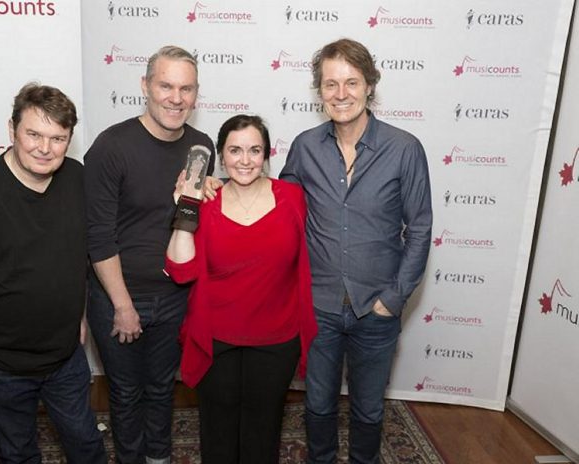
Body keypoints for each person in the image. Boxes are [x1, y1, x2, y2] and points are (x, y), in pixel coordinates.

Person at [0, 83, 107, 464]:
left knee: (87, 446)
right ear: (12, 130)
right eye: (34, 134)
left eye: (58, 138)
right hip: (2, 367)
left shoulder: (77, 179)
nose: (45, 148)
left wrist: (78, 316)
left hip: (65, 359)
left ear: (69, 140)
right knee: (18, 454)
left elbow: (78, 255)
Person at [279, 38, 433, 464]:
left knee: (368, 410)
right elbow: (276, 210)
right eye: (331, 84)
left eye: (351, 82)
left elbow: (420, 229)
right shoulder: (305, 147)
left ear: (370, 86)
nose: (341, 93)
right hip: (320, 307)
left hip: (376, 308)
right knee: (318, 406)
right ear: (320, 91)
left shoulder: (404, 149)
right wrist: (220, 189)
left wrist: (394, 298)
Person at [84, 45, 215, 464]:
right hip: (120, 298)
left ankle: (158, 458)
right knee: (125, 392)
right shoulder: (111, 146)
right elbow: (98, 235)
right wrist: (122, 305)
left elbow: (193, 219)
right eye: (166, 86)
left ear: (196, 94)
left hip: (176, 296)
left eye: (186, 88)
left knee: (162, 389)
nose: (176, 98)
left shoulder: (201, 146)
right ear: (145, 86)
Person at [165, 114, 317, 463]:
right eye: (235, 150)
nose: (245, 160)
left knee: (263, 432)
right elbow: (180, 268)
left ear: (266, 155)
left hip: (277, 339)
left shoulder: (293, 198)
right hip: (217, 338)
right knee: (217, 431)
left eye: (254, 150)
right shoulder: (206, 201)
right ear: (221, 154)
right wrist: (187, 204)